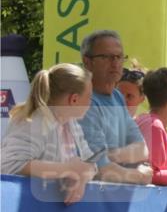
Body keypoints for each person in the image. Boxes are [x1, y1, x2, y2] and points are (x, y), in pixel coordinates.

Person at [1, 63, 99, 204]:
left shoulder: (71, 124)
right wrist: (67, 170)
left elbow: (90, 164)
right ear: (74, 100)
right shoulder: (34, 122)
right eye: (89, 97)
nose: (91, 102)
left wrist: (81, 178)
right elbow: (7, 164)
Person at [77, 30, 152, 185]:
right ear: (87, 61)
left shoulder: (117, 97)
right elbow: (99, 169)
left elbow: (142, 149)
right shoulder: (82, 101)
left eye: (119, 57)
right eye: (106, 57)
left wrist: (112, 155)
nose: (115, 62)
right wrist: (138, 176)